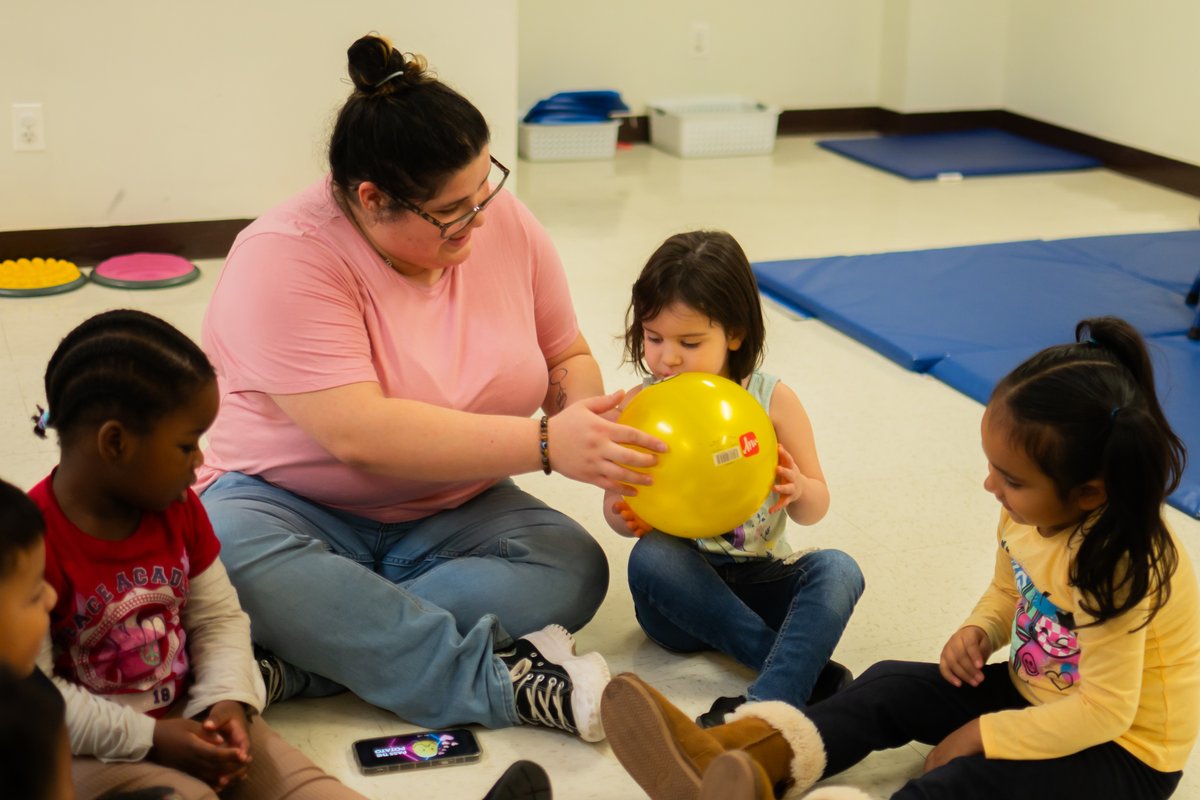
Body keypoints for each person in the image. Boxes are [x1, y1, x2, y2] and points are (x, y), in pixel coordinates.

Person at [196, 32, 663, 742]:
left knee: (572, 567)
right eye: (453, 209)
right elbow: (360, 435)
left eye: (485, 188)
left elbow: (564, 352)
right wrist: (544, 443)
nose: (481, 216)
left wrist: (591, 441)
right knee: (222, 548)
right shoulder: (284, 258)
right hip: (287, 504)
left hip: (454, 503)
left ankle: (310, 657)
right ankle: (503, 685)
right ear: (373, 199)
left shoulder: (500, 219)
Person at [600, 316, 1200, 799]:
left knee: (961, 782)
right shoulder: (1030, 510)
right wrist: (981, 629)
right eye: (992, 467)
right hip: (1040, 697)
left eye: (1011, 479)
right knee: (887, 683)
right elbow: (1007, 589)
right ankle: (737, 760)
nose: (991, 486)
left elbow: (1104, 713)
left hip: (1123, 754)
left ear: (1089, 492)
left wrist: (983, 733)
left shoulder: (1124, 562)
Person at [28, 310, 557, 800]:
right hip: (92, 752)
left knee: (310, 789)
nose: (201, 459)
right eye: (186, 445)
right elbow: (37, 699)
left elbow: (217, 618)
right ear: (115, 443)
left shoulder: (179, 508)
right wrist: (154, 738)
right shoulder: (29, 542)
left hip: (195, 719)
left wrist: (228, 700)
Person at [601, 231, 864, 725]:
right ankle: (798, 672)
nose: (667, 358)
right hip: (679, 597)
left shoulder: (772, 400)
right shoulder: (641, 408)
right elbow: (616, 511)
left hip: (761, 582)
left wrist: (800, 490)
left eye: (690, 342)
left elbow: (815, 506)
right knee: (651, 555)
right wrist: (622, 509)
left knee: (840, 569)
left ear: (736, 334)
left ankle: (766, 702)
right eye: (653, 338)